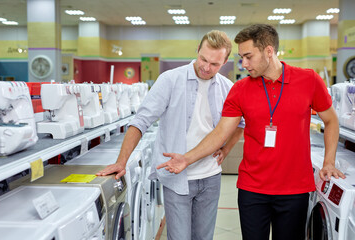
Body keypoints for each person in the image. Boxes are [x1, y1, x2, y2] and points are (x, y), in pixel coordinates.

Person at [157, 24, 346, 240]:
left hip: (295, 189)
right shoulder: (240, 89)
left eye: (248, 56)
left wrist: (329, 162)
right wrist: (186, 159)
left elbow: (331, 121)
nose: (243, 63)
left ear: (268, 51)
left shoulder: (309, 80)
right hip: (252, 189)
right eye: (241, 57)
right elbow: (220, 133)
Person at [96, 30, 245, 240]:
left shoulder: (227, 87)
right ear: (197, 51)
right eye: (203, 59)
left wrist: (226, 149)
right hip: (177, 178)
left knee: (204, 237)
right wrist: (122, 161)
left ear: (225, 62)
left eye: (215, 64)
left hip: (211, 177)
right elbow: (140, 121)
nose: (206, 67)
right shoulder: (170, 80)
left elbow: (241, 123)